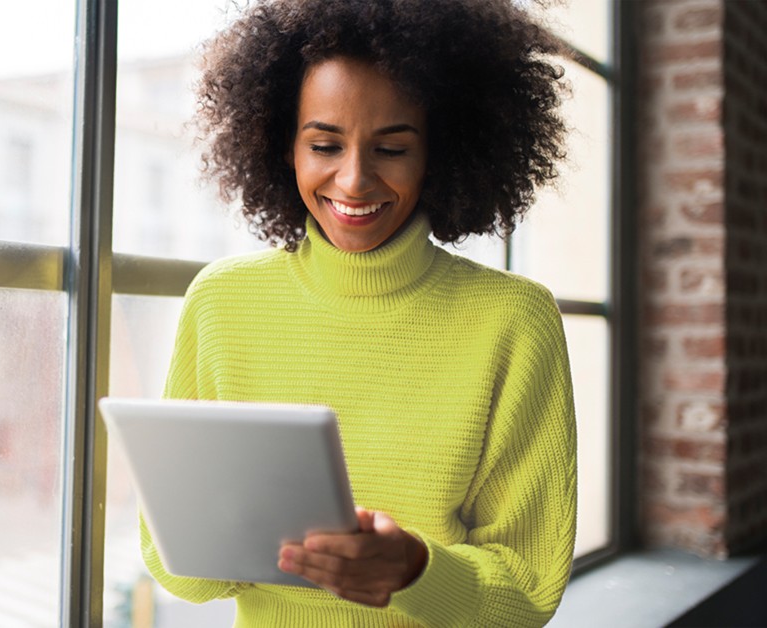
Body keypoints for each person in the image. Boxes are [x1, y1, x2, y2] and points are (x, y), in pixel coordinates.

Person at [141, 0, 578, 625]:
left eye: (392, 150)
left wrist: (415, 573)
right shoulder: (221, 303)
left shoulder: (514, 322)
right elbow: (171, 566)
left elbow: (528, 595)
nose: (353, 181)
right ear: (280, 144)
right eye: (324, 144)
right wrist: (216, 539)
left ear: (441, 152)